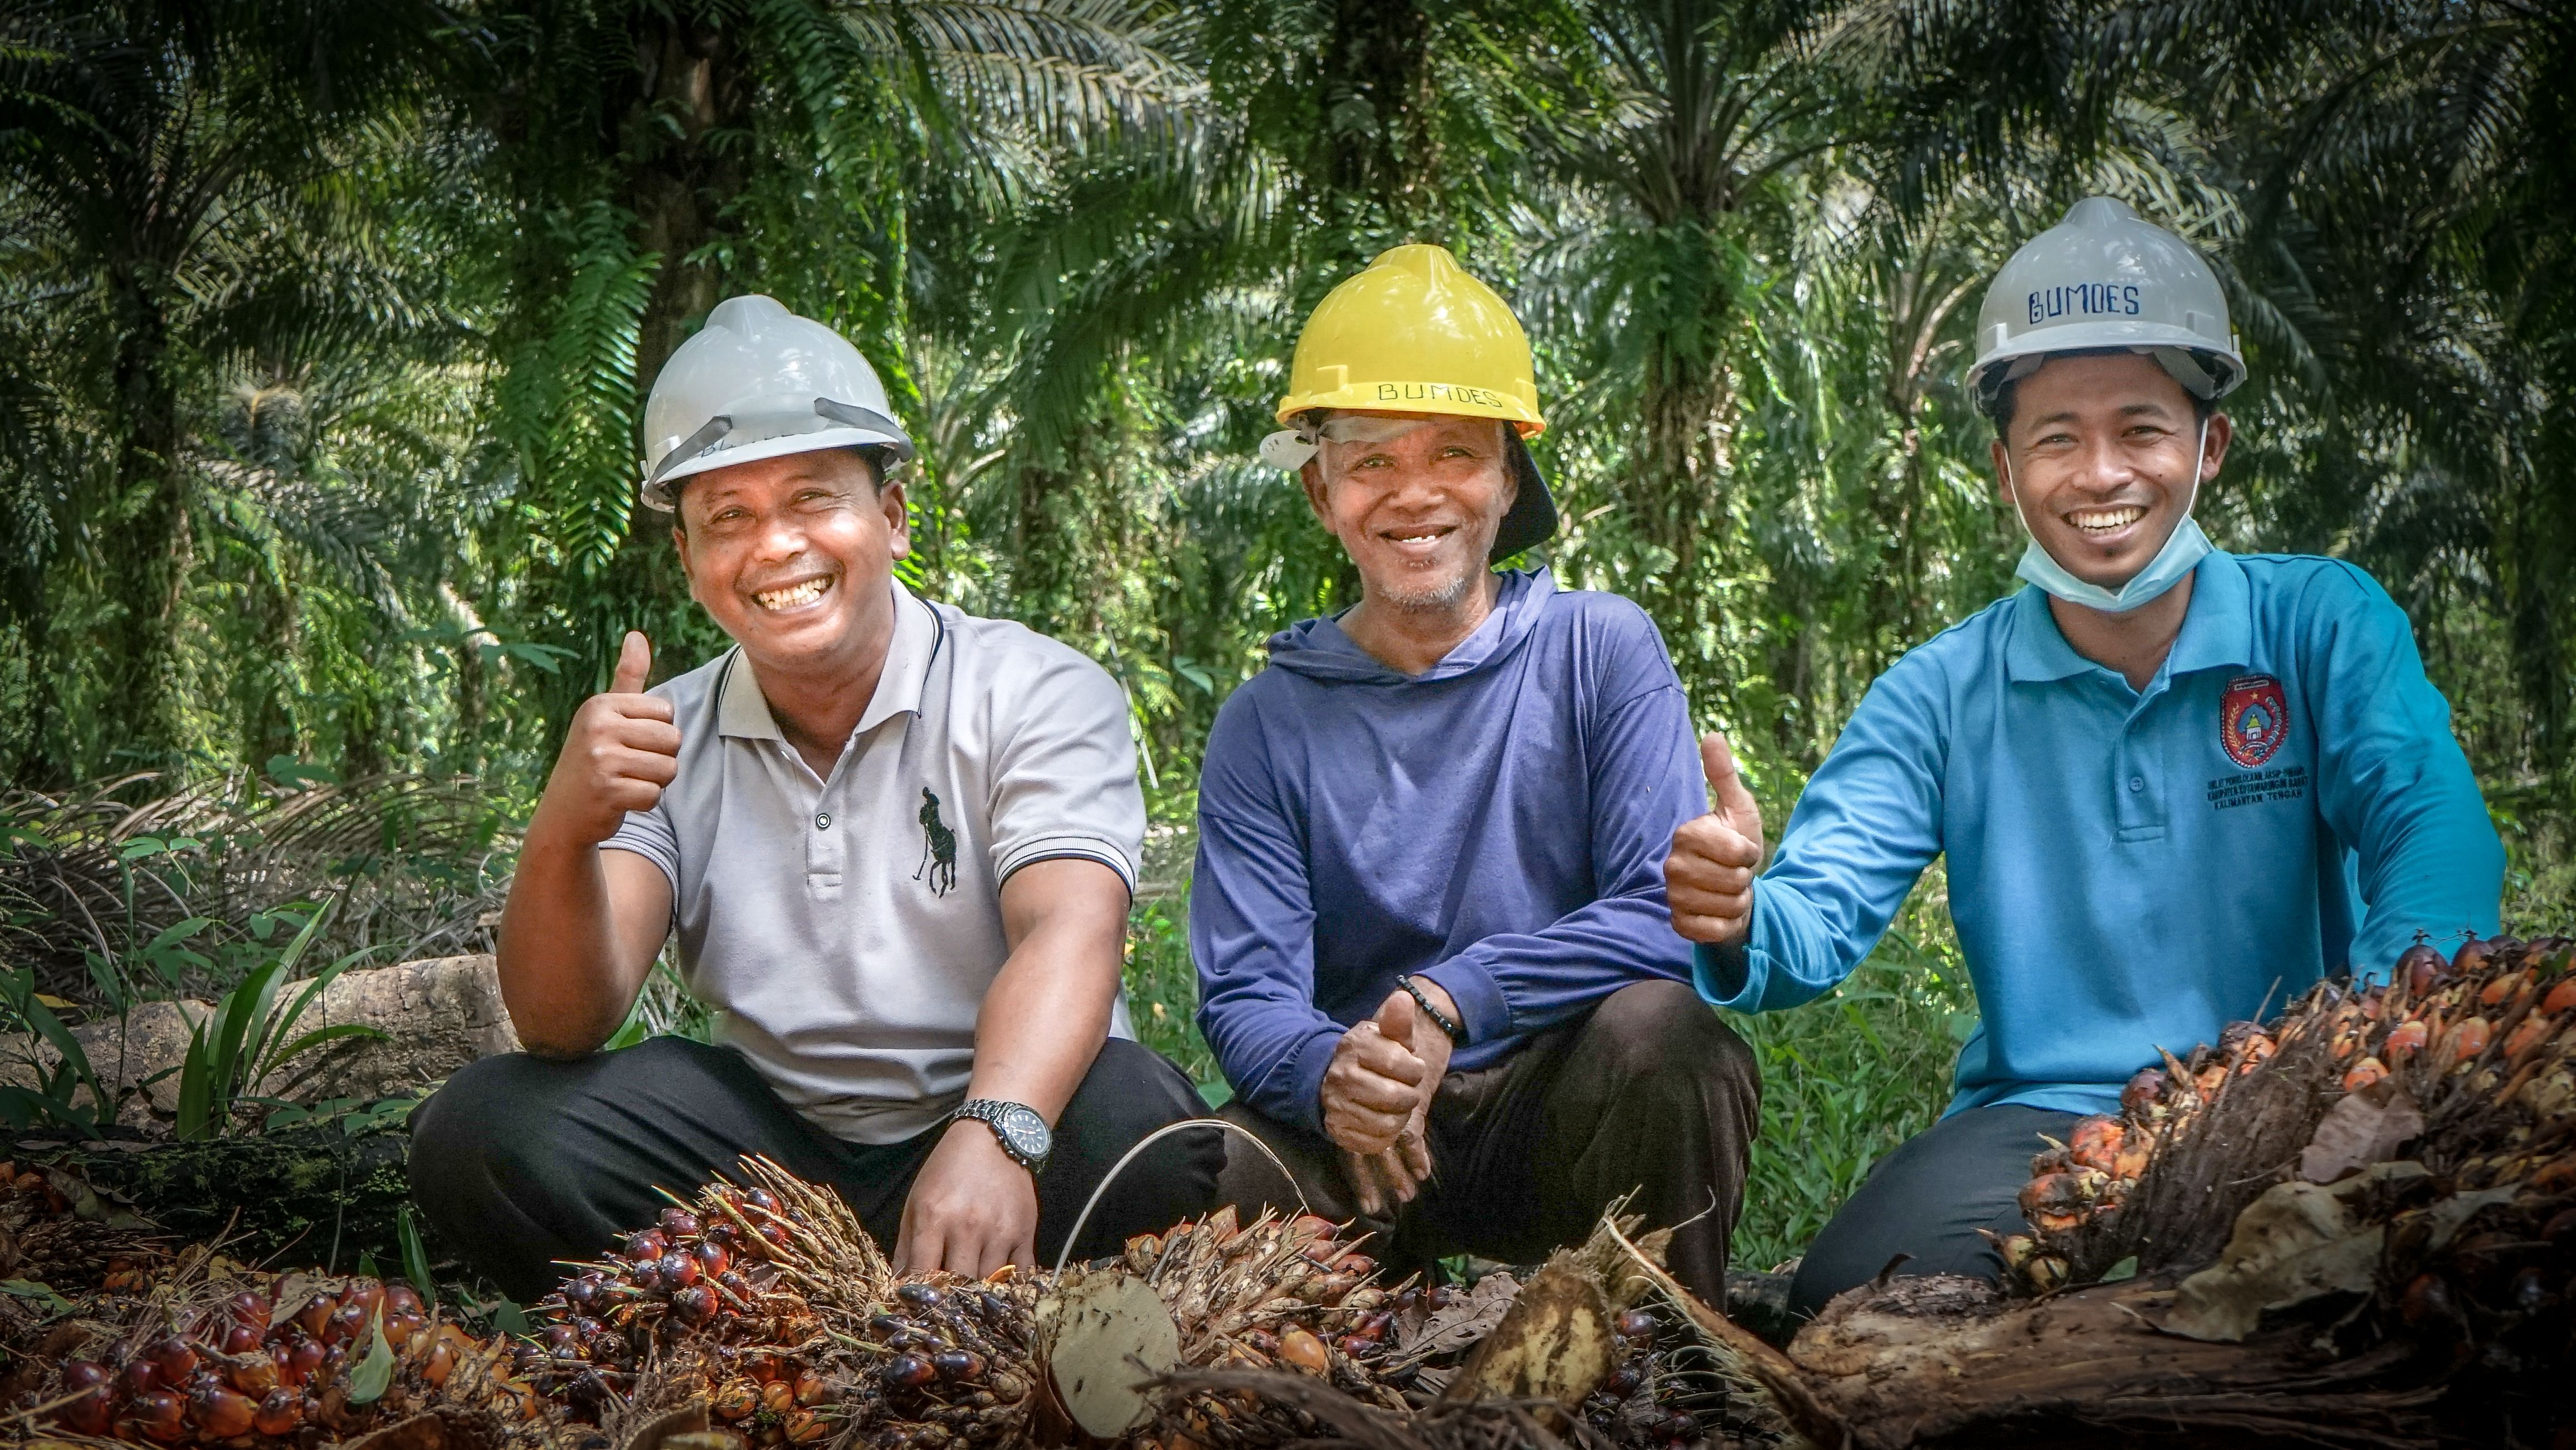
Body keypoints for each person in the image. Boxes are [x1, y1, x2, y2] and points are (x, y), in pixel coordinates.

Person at [1662, 198, 2505, 1320]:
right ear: (2006, 467)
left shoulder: (2318, 622)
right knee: (1854, 1305)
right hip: (2046, 1113)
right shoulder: (1938, 691)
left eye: (2139, 427)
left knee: (2437, 1294)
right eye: (2055, 435)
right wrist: (1733, 914)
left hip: (2307, 1084)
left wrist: (2384, 1045)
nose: (2099, 472)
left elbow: (2427, 823)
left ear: (2206, 445)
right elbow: (1813, 914)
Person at [409, 296, 1221, 1299]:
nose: (776, 545)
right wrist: (564, 826)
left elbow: (1072, 930)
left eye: (812, 499)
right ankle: (768, 1338)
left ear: (890, 517)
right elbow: (562, 1025)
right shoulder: (665, 730)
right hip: (773, 1159)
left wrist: (996, 1130)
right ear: (690, 558)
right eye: (729, 517)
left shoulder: (1035, 688)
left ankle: (987, 1307)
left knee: (1149, 1124)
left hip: (1007, 1121)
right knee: (485, 1130)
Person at [1193, 244, 1762, 1302]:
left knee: (1666, 1037)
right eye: (1371, 460)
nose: (1415, 493)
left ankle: (1675, 1364)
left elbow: (1659, 917)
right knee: (1208, 1161)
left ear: (1509, 478)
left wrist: (1456, 996)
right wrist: (1332, 1074)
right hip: (1369, 1134)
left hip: (1561, 1102)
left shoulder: (1602, 649)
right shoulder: (1264, 723)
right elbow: (1246, 992)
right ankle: (1359, 1368)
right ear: (1322, 491)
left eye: (1454, 453)